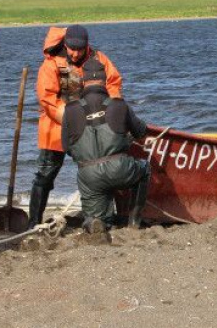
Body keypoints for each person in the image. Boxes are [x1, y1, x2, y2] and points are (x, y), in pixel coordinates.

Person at [27, 24, 122, 229]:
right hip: (55, 128)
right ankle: (33, 222)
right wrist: (73, 121)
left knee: (95, 173)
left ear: (87, 45)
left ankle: (97, 218)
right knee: (44, 176)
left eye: (80, 49)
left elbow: (113, 84)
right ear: (65, 44)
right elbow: (47, 98)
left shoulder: (99, 59)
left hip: (91, 127)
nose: (76, 53)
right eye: (72, 49)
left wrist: (111, 110)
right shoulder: (51, 63)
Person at [61, 61, 150, 239]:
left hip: (89, 176)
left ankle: (96, 222)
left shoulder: (70, 110)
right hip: (120, 169)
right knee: (145, 169)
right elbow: (141, 131)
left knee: (96, 217)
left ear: (84, 81)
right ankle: (134, 222)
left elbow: (66, 147)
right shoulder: (119, 105)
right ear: (105, 80)